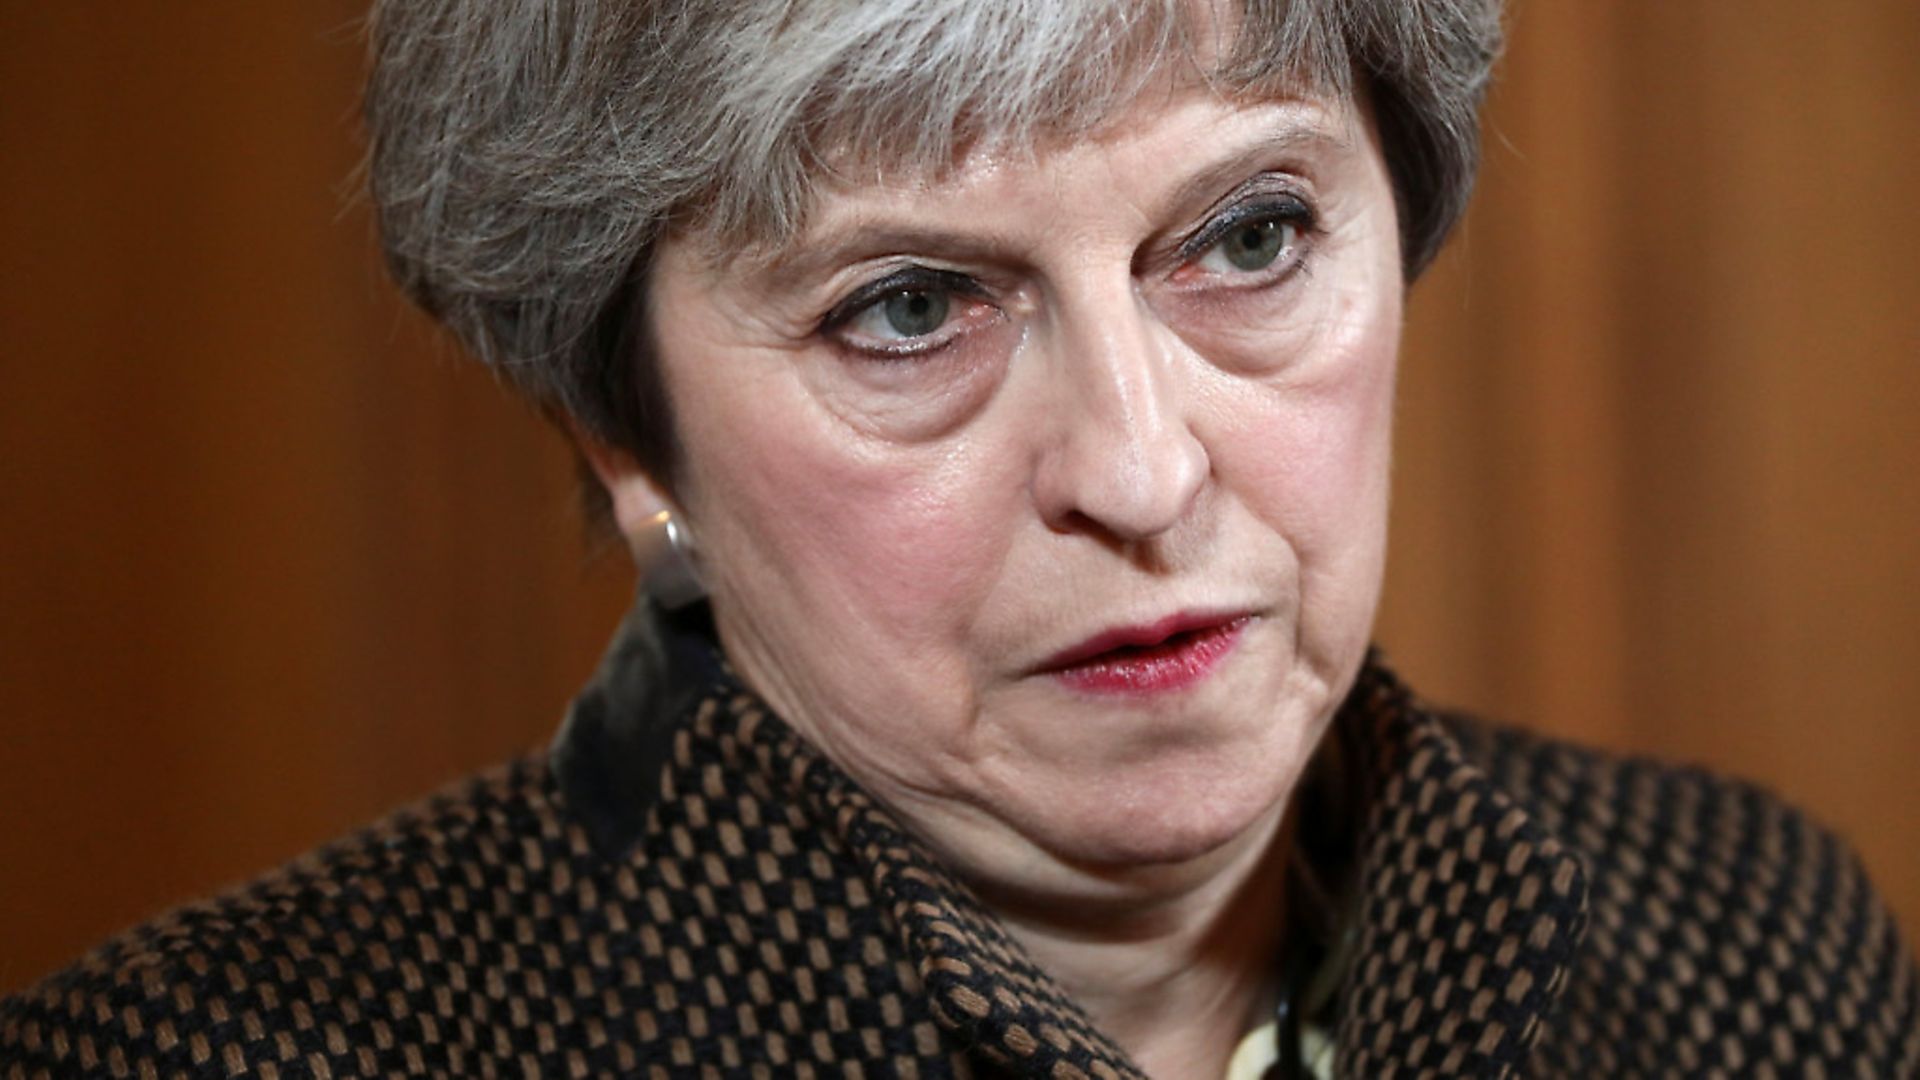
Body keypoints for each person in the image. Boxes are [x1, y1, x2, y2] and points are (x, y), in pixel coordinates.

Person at [3, 0, 1916, 1076]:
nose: (1144, 471)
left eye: (1249, 237)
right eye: (910, 308)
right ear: (622, 438)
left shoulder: (1753, 935)